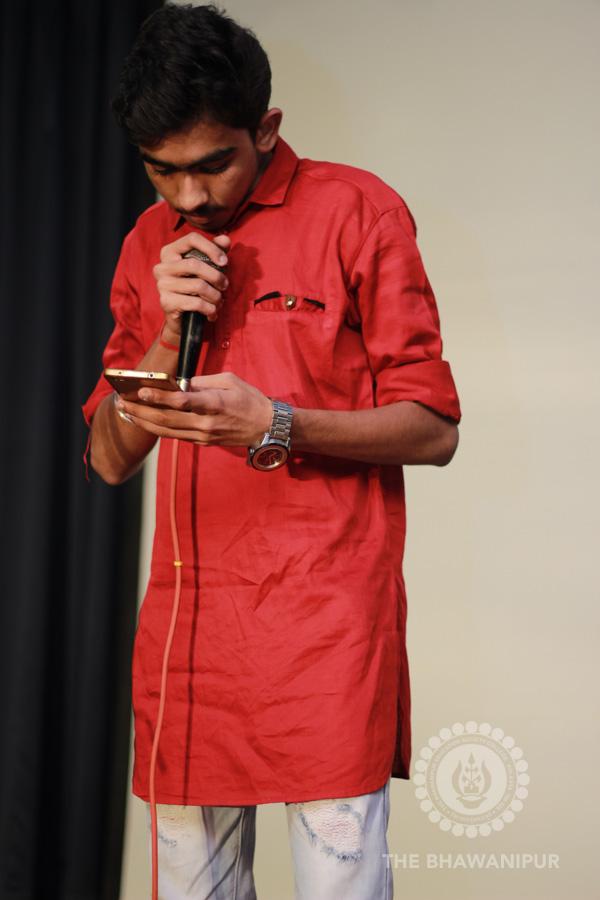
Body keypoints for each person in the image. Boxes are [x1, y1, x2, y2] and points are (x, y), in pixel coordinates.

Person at [83, 4, 462, 898]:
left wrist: (278, 425)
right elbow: (108, 457)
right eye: (162, 171)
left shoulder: (355, 211)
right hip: (188, 639)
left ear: (266, 128)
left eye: (212, 164)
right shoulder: (147, 243)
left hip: (324, 629)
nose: (188, 197)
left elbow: (433, 426)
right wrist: (164, 333)